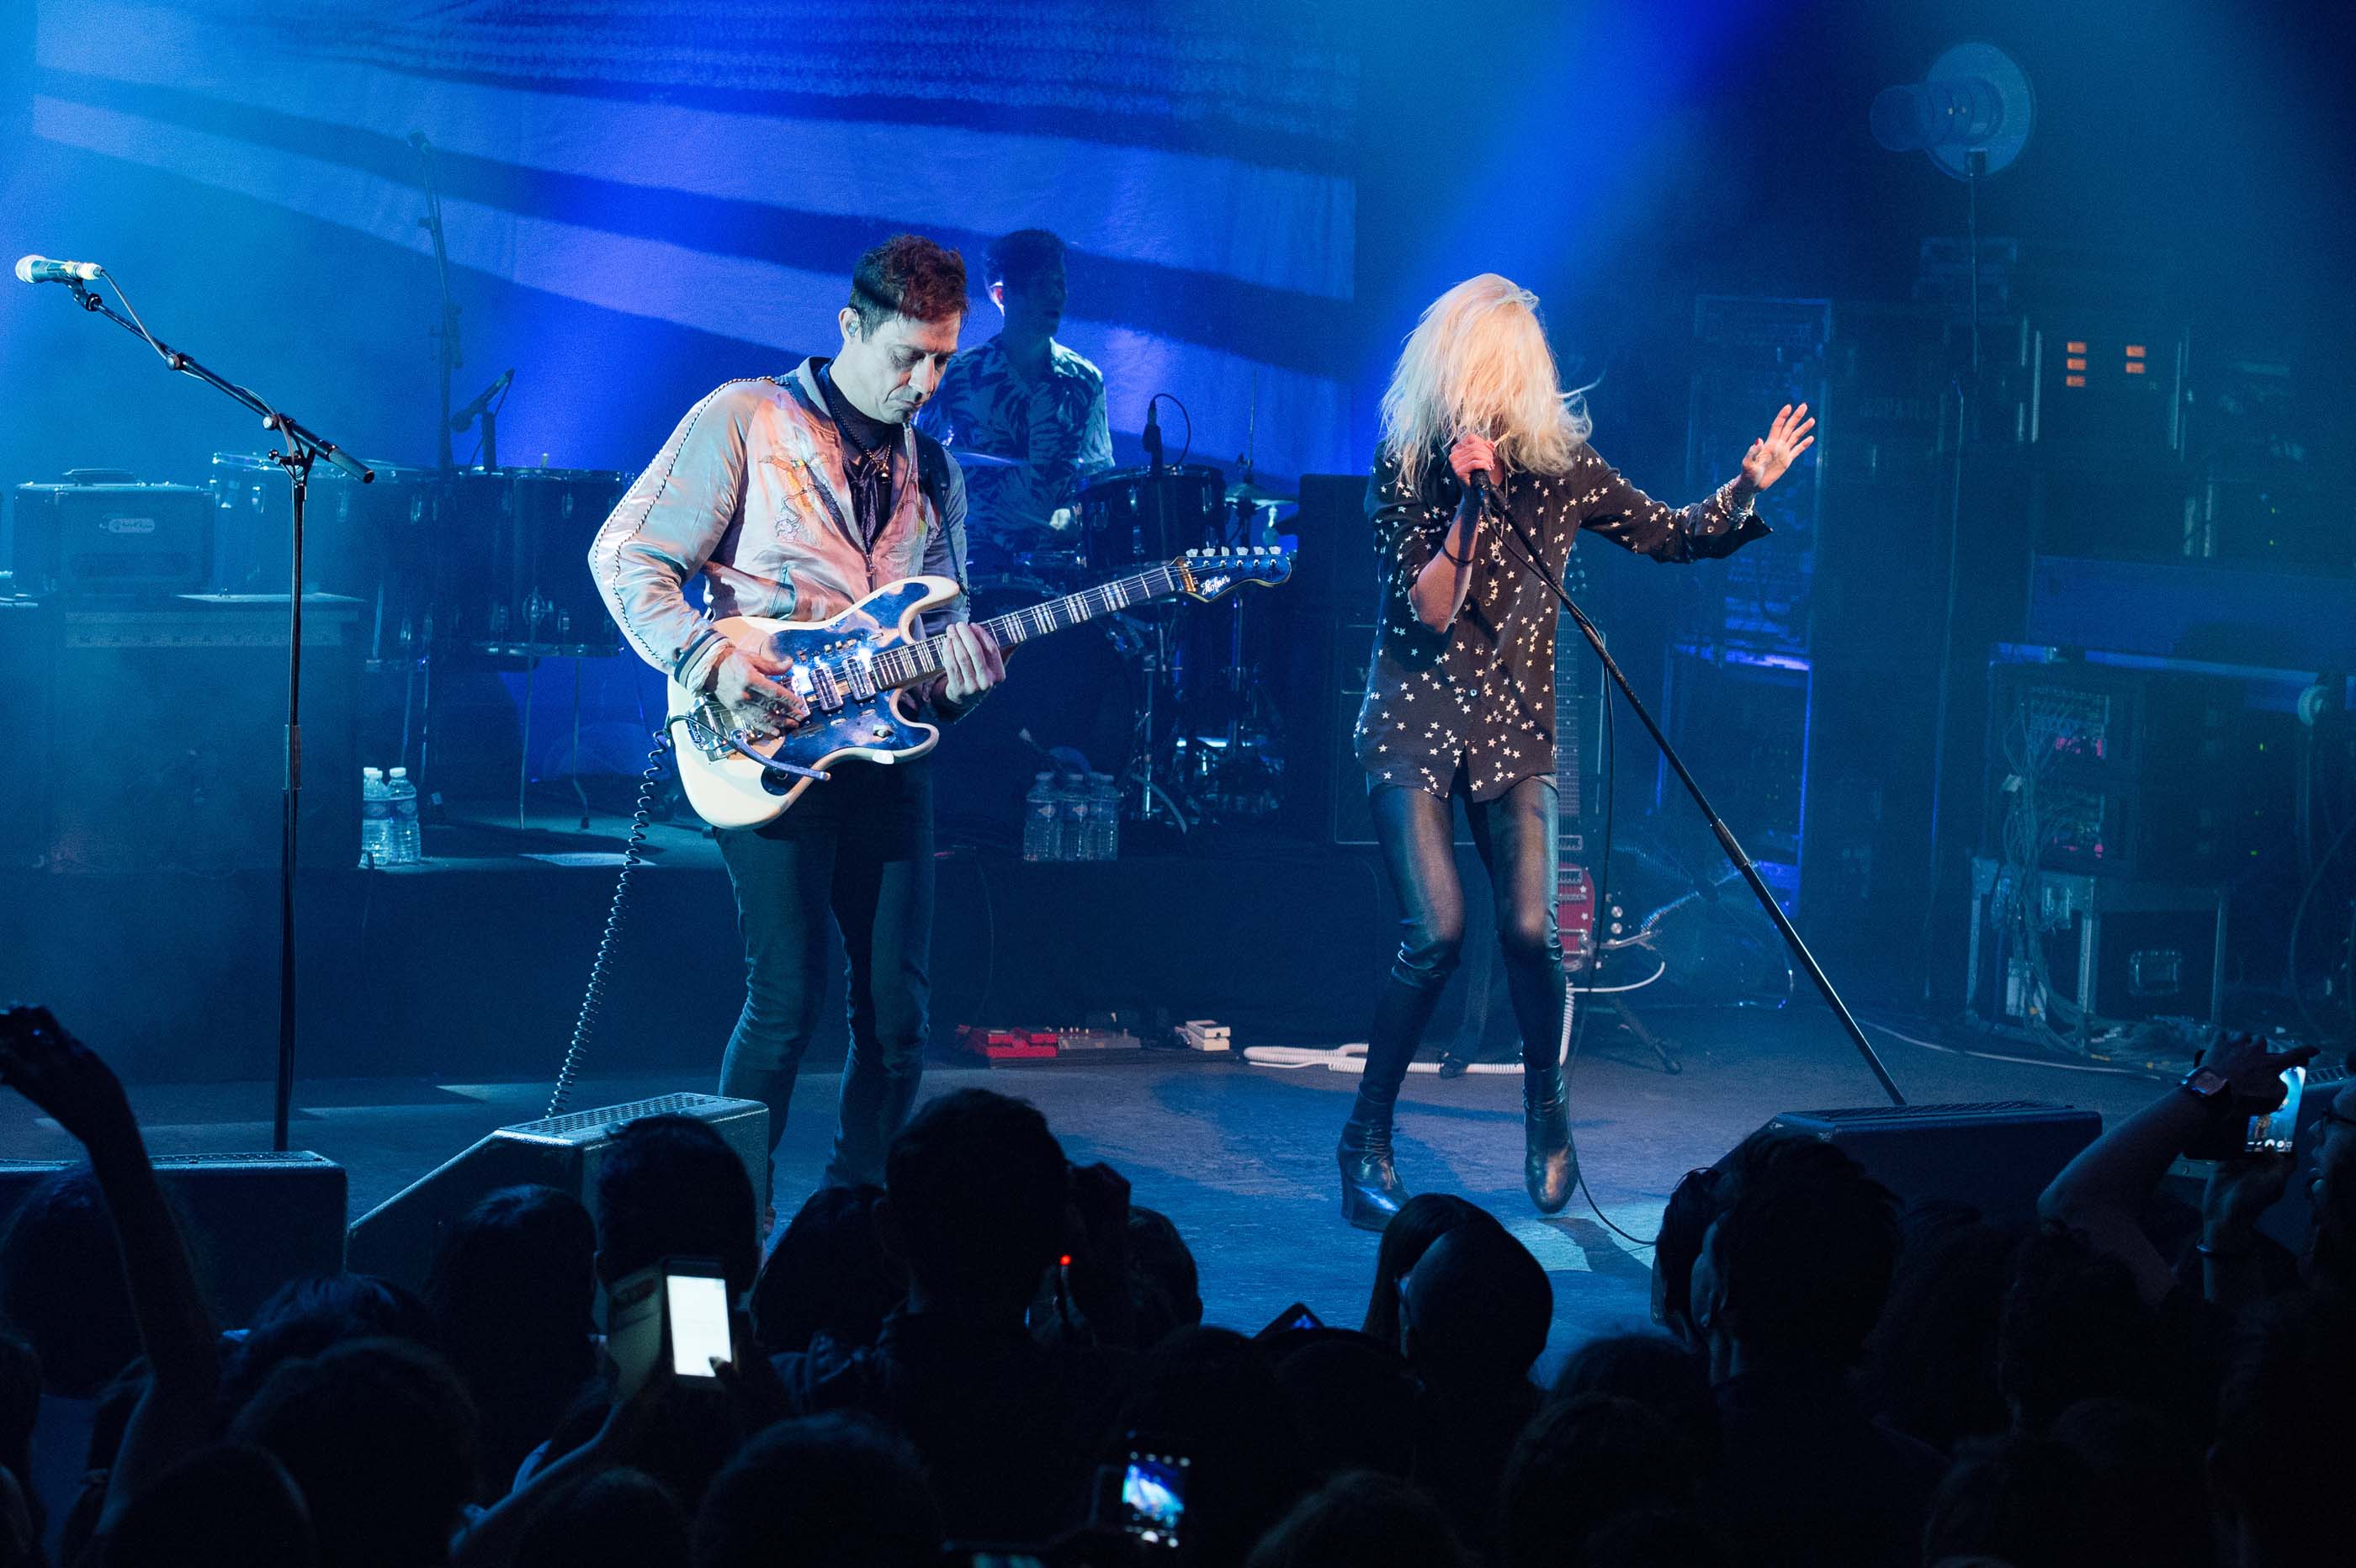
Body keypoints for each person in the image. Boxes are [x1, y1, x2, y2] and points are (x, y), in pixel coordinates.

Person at [1339, 273, 1807, 1228]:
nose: (1482, 406)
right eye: (1468, 384)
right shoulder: (1405, 463)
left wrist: (1745, 486)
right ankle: (1366, 1142)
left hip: (1514, 730)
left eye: (1497, 384)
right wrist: (1471, 503)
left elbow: (1673, 535)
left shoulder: (1562, 469)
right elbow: (1429, 607)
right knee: (1433, 936)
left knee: (1529, 932)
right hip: (1414, 724)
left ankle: (1547, 1118)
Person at [590, 235, 1008, 1195]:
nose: (925, 381)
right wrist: (704, 657)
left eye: (942, 358)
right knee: (785, 1003)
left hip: (888, 759)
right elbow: (626, 556)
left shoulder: (935, 472)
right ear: (849, 327)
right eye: (907, 355)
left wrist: (961, 683)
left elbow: (939, 645)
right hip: (762, 748)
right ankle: (727, 1215)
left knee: (898, 1020)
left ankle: (856, 1217)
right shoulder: (745, 416)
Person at [917, 228, 1112, 558]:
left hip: (1061, 568)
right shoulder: (957, 375)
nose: (1056, 296)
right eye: (1041, 285)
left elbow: (1100, 482)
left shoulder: (1085, 380)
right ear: (1001, 295)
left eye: (1060, 283)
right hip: (974, 565)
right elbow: (916, 471)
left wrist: (1077, 514)